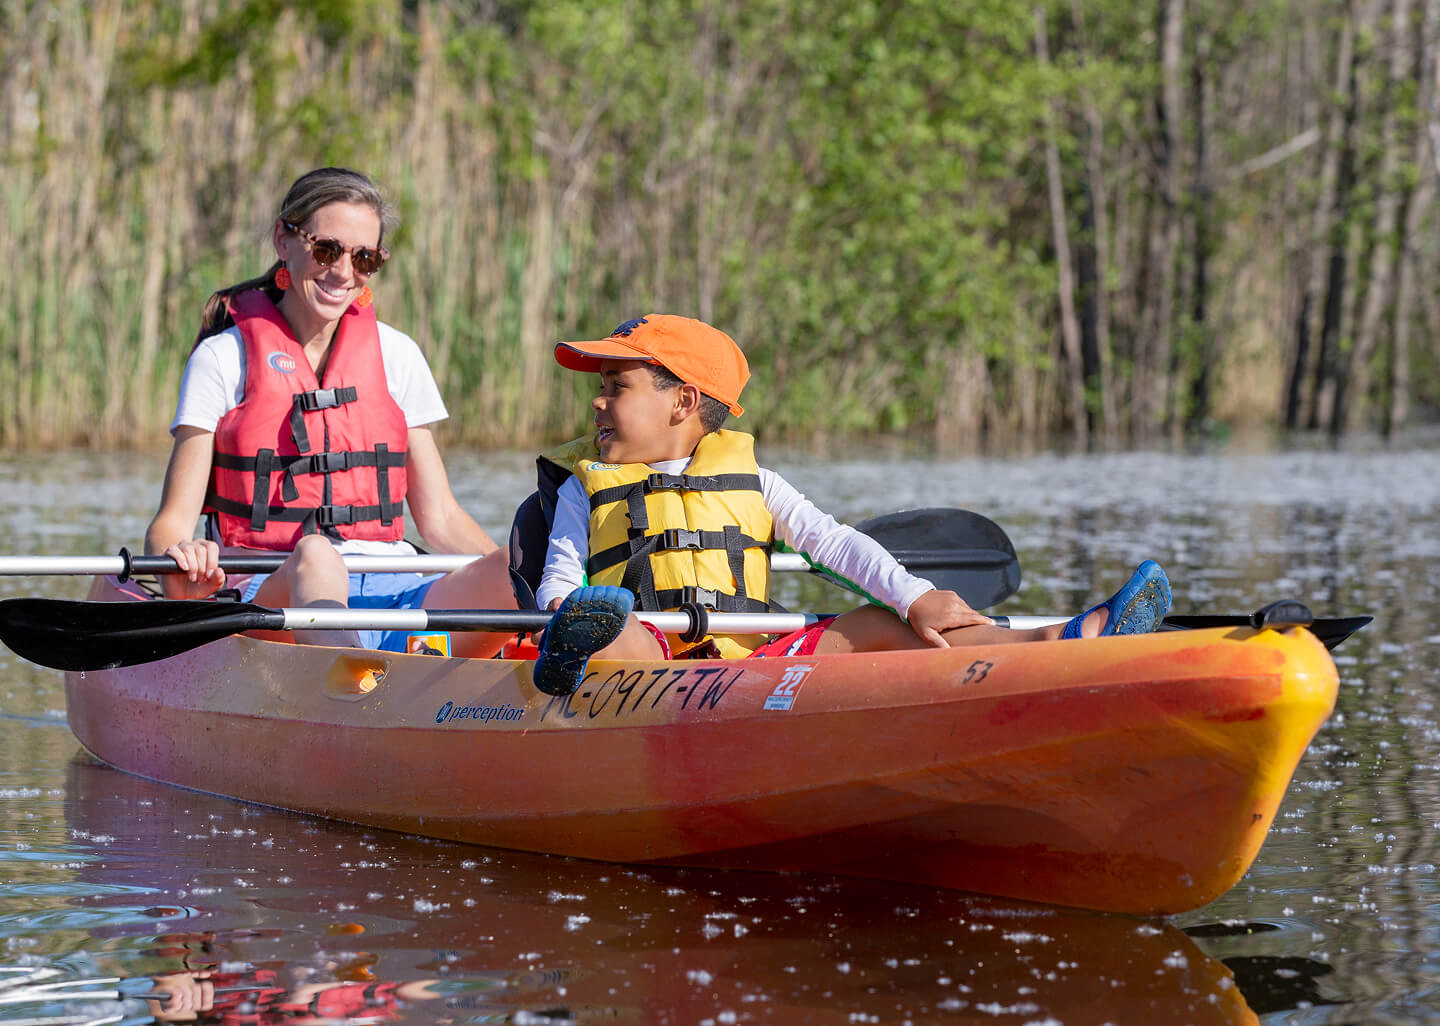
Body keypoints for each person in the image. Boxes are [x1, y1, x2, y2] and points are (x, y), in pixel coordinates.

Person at [528, 314, 1172, 695]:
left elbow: (835, 545)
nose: (598, 401)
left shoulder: (757, 482)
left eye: (617, 386)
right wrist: (564, 610)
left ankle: (1061, 639)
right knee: (619, 630)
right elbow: (555, 579)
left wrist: (913, 595)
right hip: (650, 661)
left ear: (683, 402)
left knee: (886, 624)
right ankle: (573, 649)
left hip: (750, 664)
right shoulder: (583, 488)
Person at [144, 167, 514, 656]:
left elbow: (440, 517)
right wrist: (181, 557)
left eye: (364, 258)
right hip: (271, 602)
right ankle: (359, 674)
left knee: (521, 564)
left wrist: (520, 585)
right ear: (284, 238)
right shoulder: (222, 359)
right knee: (316, 554)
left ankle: (408, 663)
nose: (343, 272)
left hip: (396, 602)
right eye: (326, 249)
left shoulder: (397, 355)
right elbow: (169, 524)